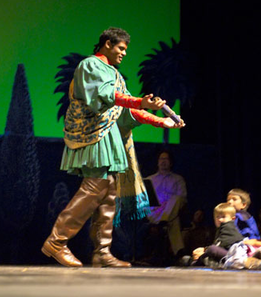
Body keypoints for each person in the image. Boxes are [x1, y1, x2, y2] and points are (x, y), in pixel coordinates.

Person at [41, 27, 185, 268]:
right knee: (94, 187)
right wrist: (140, 101)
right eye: (121, 48)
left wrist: (162, 121)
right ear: (107, 44)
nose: (124, 53)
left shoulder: (115, 75)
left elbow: (127, 110)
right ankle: (57, 241)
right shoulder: (90, 66)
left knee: (108, 193)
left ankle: (102, 252)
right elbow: (105, 95)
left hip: (109, 138)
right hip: (94, 136)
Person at [147, 150, 187, 256]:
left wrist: (168, 204)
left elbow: (182, 199)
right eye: (161, 159)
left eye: (166, 159)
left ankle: (164, 220)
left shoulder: (178, 179)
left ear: (171, 162)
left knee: (176, 199)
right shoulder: (149, 179)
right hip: (154, 212)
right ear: (157, 162)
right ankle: (179, 251)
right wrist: (158, 206)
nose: (163, 161)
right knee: (173, 221)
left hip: (171, 211)